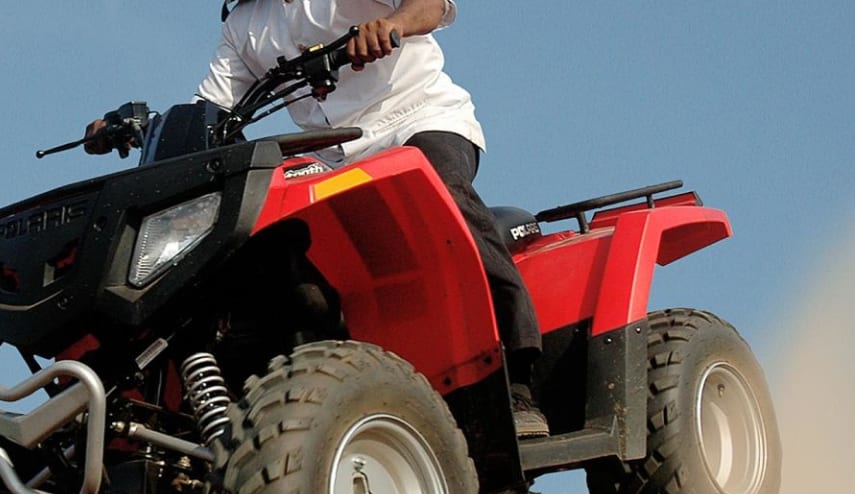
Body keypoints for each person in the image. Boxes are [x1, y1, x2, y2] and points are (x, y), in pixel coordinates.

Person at [89, 0, 546, 437]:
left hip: (418, 120)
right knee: (267, 243)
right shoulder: (243, 23)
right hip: (336, 157)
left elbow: (433, 5)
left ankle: (519, 379)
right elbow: (211, 110)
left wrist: (394, 24)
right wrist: (139, 127)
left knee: (447, 199)